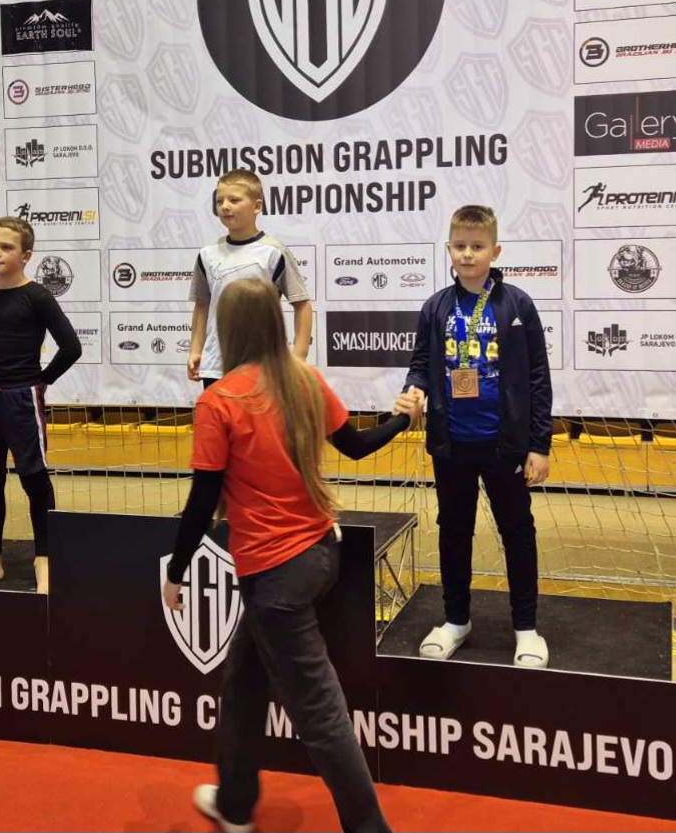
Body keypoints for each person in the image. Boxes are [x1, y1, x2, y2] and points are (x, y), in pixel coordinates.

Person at [163, 278, 422, 833]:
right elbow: (357, 446)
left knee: (321, 716)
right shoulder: (304, 380)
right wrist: (403, 418)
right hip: (320, 555)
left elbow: (202, 501)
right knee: (243, 683)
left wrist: (176, 572)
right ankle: (235, 804)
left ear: (227, 329)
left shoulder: (220, 401)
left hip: (274, 578)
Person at [394, 205, 552, 668]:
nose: (468, 254)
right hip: (452, 444)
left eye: (477, 246)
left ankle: (526, 628)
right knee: (454, 531)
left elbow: (538, 378)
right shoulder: (435, 307)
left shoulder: (518, 305)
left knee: (517, 532)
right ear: (448, 249)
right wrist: (414, 391)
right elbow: (421, 365)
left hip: (505, 445)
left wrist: (539, 444)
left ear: (495, 251)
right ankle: (456, 619)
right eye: (460, 246)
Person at [0, 217, 81, 594]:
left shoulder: (37, 297)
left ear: (26, 255)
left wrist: (39, 382)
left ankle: (45, 558)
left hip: (22, 398)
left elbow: (71, 347)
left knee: (34, 478)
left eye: (5, 247)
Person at [187, 169, 312, 387]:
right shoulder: (207, 254)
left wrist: (299, 359)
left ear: (257, 206)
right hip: (216, 367)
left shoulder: (274, 252)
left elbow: (302, 304)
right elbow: (202, 305)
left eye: (234, 200)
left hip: (265, 368)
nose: (225, 206)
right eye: (219, 201)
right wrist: (195, 350)